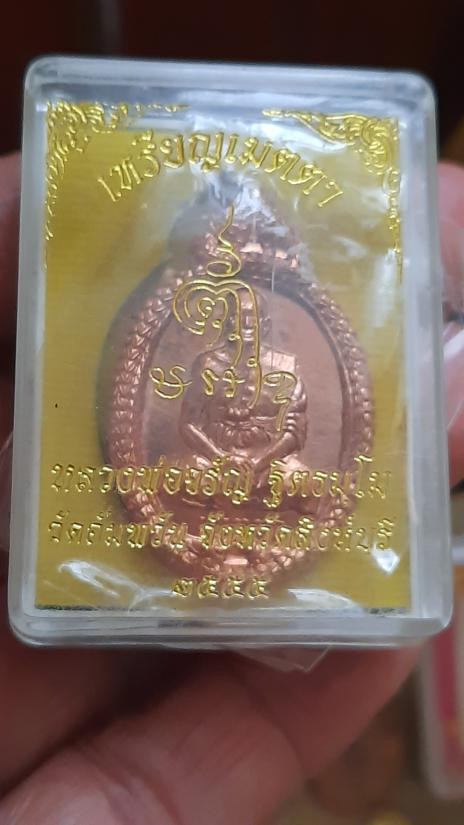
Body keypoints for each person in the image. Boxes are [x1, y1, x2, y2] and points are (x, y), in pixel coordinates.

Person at [0, 154, 462, 824]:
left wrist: (261, 463)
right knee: (178, 477)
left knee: (304, 481)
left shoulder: (285, 364)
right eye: (235, 318)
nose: (247, 329)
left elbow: (297, 429)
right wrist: (222, 460)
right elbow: (189, 425)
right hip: (203, 474)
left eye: (256, 318)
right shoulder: (207, 363)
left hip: (272, 477)